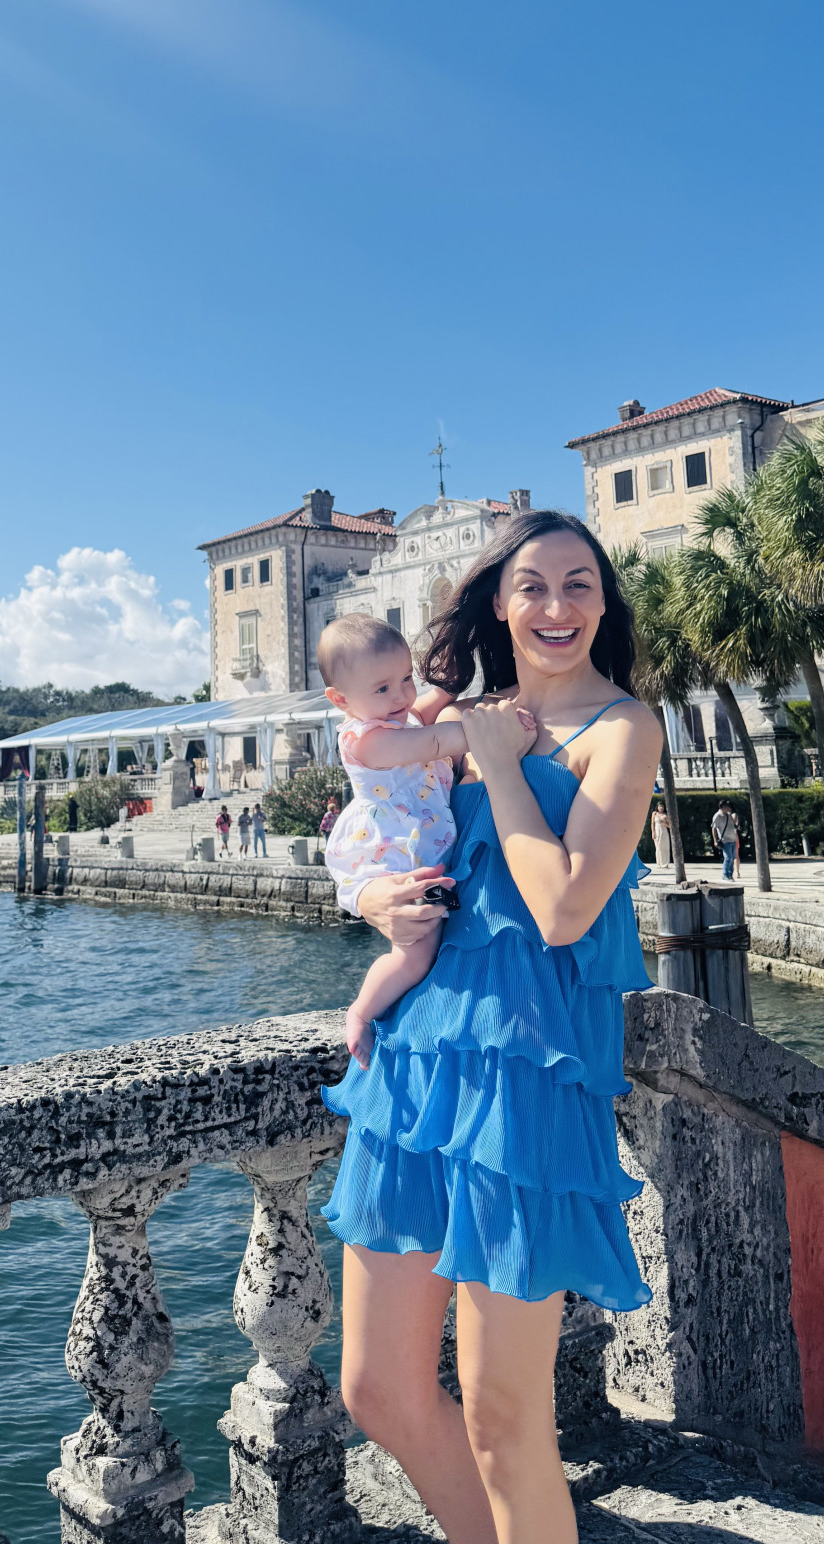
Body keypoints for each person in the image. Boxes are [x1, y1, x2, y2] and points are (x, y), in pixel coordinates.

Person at [322, 509, 662, 1544]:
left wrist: (501, 761)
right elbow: (376, 825)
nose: (557, 605)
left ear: (603, 601)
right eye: (533, 586)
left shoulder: (624, 728)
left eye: (579, 583)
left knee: (507, 1414)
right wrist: (373, 900)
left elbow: (563, 906)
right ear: (500, 604)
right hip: (418, 1059)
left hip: (530, 1078)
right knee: (378, 1388)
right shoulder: (451, 716)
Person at [318, 613, 535, 1065]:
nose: (401, 696)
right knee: (415, 955)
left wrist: (451, 683)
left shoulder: (395, 716)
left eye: (405, 679)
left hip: (425, 852)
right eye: (382, 688)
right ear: (340, 700)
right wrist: (492, 730)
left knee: (438, 941)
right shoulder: (365, 740)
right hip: (399, 858)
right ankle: (361, 1012)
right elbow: (434, 742)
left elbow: (429, 708)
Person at [711, 801, 740, 880]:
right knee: (728, 858)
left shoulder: (729, 815)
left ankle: (730, 875)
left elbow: (732, 824)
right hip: (725, 840)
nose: (729, 808)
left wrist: (736, 826)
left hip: (732, 839)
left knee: (732, 858)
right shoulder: (717, 816)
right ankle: (725, 875)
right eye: (728, 807)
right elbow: (714, 828)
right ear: (722, 807)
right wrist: (715, 840)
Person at [650, 796, 672, 872]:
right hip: (657, 831)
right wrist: (653, 832)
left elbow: (670, 826)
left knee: (665, 847)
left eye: (662, 806)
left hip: (664, 831)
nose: (661, 808)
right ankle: (659, 863)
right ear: (657, 807)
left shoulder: (665, 815)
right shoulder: (654, 814)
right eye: (660, 806)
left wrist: (665, 824)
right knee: (658, 847)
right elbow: (652, 824)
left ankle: (665, 863)